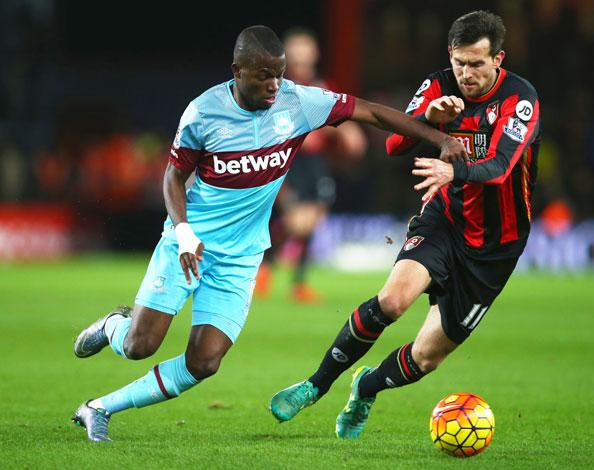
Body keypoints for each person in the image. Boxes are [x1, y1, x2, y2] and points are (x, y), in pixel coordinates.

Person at [70, 25, 466, 442]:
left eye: (279, 74)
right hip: (189, 245)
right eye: (263, 75)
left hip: (241, 256)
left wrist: (439, 137)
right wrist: (183, 231)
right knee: (140, 345)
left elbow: (370, 111)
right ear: (237, 71)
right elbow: (173, 177)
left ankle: (98, 408)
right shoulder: (204, 113)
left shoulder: (299, 102)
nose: (275, 84)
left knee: (204, 362)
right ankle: (114, 325)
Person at [269, 10, 541, 439]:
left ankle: (367, 386)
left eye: (476, 64)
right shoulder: (438, 85)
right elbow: (395, 143)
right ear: (449, 55)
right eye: (459, 63)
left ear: (498, 60)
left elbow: (503, 167)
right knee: (392, 302)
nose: (466, 74)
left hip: (496, 246)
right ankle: (314, 386)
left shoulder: (519, 98)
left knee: (427, 357)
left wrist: (457, 172)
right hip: (445, 220)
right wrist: (430, 119)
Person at [256, 28, 367, 303]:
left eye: (306, 51)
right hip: (289, 162)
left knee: (312, 221)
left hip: (317, 164)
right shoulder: (278, 90)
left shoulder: (321, 87)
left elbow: (336, 116)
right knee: (297, 221)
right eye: (297, 52)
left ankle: (297, 283)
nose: (302, 58)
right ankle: (264, 267)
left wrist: (347, 133)